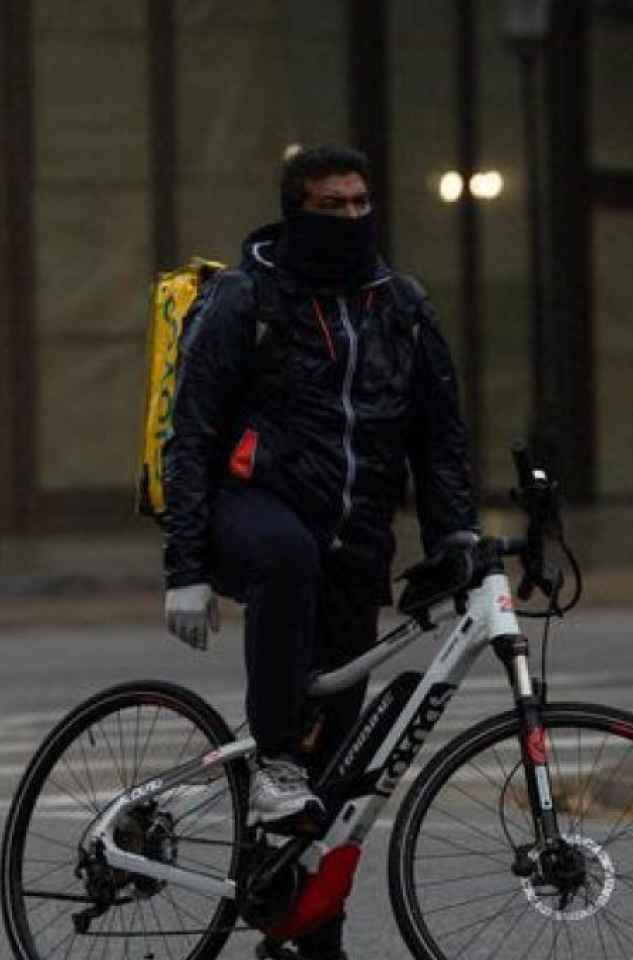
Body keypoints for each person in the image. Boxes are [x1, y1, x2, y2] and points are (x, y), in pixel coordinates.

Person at [161, 145, 479, 959]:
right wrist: (187, 570)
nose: (350, 219)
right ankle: (270, 761)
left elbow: (438, 440)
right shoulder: (245, 300)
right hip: (250, 514)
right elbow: (190, 435)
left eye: (360, 203)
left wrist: (453, 541)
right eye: (331, 206)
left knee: (344, 767)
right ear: (296, 210)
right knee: (287, 558)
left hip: (355, 546)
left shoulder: (399, 305)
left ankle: (307, 931)